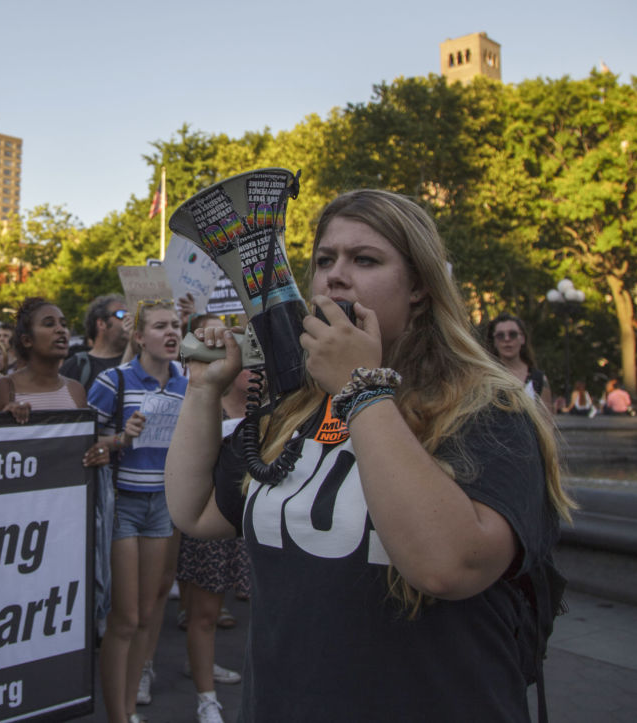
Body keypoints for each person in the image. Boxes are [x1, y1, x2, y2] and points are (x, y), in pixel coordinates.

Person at [166, 189, 571, 722]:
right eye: (324, 260)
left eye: (365, 259)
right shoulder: (298, 405)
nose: (335, 276)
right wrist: (203, 391)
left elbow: (449, 567)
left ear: (420, 287)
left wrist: (361, 389)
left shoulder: (490, 406)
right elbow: (195, 512)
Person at [85, 299, 186, 723]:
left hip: (162, 505)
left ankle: (127, 710)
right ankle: (118, 716)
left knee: (146, 615)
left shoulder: (188, 382)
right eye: (161, 326)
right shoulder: (113, 381)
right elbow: (81, 444)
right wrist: (119, 439)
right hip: (123, 504)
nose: (172, 333)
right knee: (124, 619)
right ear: (140, 336)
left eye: (177, 325)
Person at [175, 314, 246, 723]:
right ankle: (206, 699)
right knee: (201, 614)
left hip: (243, 525)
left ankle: (207, 670)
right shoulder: (202, 399)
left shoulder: (268, 397)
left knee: (220, 614)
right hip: (208, 520)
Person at [0, 298, 86, 420]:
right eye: (49, 324)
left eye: (64, 324)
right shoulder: (1, 389)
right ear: (27, 340)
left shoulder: (76, 390)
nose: (61, 330)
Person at [61, 294, 129, 390]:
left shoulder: (139, 361)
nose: (129, 320)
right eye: (122, 314)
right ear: (101, 323)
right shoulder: (76, 366)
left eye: (131, 315)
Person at [487, 312, 553, 411]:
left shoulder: (539, 379)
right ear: (494, 341)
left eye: (512, 334)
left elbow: (547, 422)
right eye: (500, 335)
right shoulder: (485, 377)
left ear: (522, 338)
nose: (507, 339)